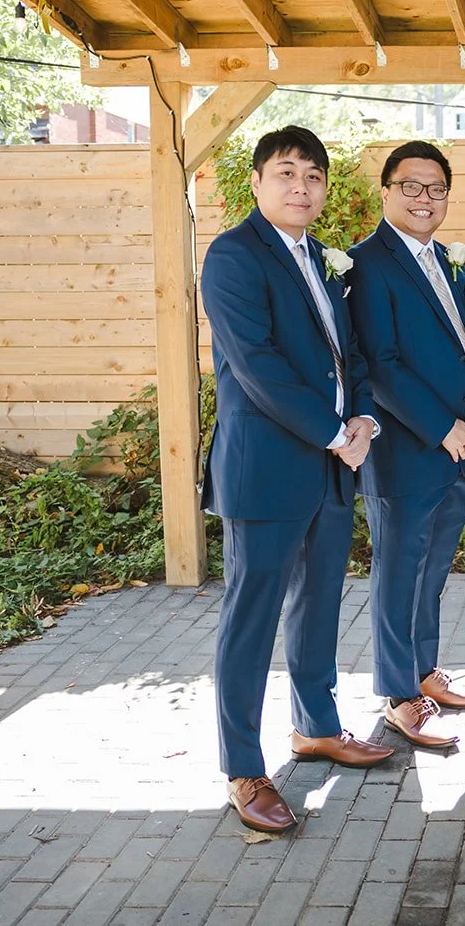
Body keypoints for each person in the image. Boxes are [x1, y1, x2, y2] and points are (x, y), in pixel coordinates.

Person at [200, 126, 393, 834]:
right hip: (268, 469)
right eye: (286, 173)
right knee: (250, 620)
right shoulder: (232, 257)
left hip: (334, 467)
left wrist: (365, 416)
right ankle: (244, 767)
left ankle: (316, 726)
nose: (300, 187)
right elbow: (258, 365)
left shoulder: (322, 258)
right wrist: (337, 431)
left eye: (313, 176)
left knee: (318, 604)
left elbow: (352, 357)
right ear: (256, 181)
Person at [348, 140, 465, 749]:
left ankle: (425, 672)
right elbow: (379, 365)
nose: (424, 198)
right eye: (411, 186)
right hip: (409, 452)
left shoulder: (452, 262)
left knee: (432, 572)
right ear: (386, 191)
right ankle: (397, 695)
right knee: (398, 574)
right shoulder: (365, 264)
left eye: (436, 188)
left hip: (460, 447)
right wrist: (443, 427)